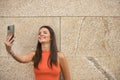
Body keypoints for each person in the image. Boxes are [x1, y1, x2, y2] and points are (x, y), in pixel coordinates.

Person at [4, 26, 70, 80]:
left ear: (51, 37)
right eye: (39, 33)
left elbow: (67, 78)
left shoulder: (60, 56)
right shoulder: (34, 54)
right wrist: (9, 50)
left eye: (45, 32)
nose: (41, 34)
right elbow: (22, 59)